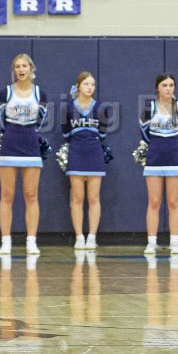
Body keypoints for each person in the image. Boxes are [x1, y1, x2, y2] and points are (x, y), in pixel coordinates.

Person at [0, 53, 48, 256]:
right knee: (7, 195)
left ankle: (31, 241)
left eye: (24, 66)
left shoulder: (40, 94)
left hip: (31, 144)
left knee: (31, 195)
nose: (21, 69)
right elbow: (1, 121)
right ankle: (6, 241)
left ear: (31, 69)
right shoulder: (5, 93)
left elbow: (41, 121)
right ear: (14, 70)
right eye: (17, 66)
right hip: (10, 143)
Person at [61, 72, 111, 251]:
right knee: (77, 197)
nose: (90, 88)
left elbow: (103, 134)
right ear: (78, 86)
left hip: (94, 153)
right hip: (76, 152)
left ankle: (92, 237)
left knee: (94, 197)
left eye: (92, 84)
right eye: (86, 84)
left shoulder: (101, 108)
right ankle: (79, 237)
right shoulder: (68, 108)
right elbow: (65, 133)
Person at [140, 73, 178, 256]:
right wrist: (158, 146)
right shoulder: (149, 108)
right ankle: (151, 243)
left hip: (174, 158)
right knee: (154, 201)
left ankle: (174, 243)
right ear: (157, 88)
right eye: (164, 85)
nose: (168, 89)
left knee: (173, 202)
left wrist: (171, 146)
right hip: (154, 158)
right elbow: (144, 133)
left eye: (171, 85)